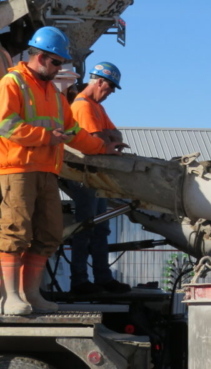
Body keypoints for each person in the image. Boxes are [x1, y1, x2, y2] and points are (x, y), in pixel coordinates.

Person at [0, 26, 126, 315]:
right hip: (17, 167)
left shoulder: (55, 95)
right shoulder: (13, 83)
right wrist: (46, 137)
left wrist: (102, 148)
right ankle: (9, 297)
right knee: (15, 232)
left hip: (46, 170)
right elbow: (5, 125)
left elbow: (74, 132)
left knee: (48, 234)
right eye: (57, 62)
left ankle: (31, 294)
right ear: (41, 57)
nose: (60, 69)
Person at [63, 62, 131, 295]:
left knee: (99, 228)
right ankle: (80, 281)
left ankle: (102, 278)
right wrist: (106, 140)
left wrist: (106, 139)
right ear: (99, 81)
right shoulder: (83, 106)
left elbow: (114, 136)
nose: (110, 92)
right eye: (110, 87)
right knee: (86, 228)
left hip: (94, 176)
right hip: (84, 175)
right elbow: (97, 141)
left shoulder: (96, 107)